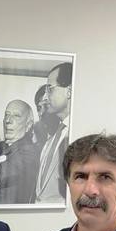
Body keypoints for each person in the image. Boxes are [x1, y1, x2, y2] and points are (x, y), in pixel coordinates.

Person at [33, 62, 72, 204]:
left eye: (50, 89)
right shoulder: (51, 140)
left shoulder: (78, 136)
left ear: (69, 91)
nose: (45, 96)